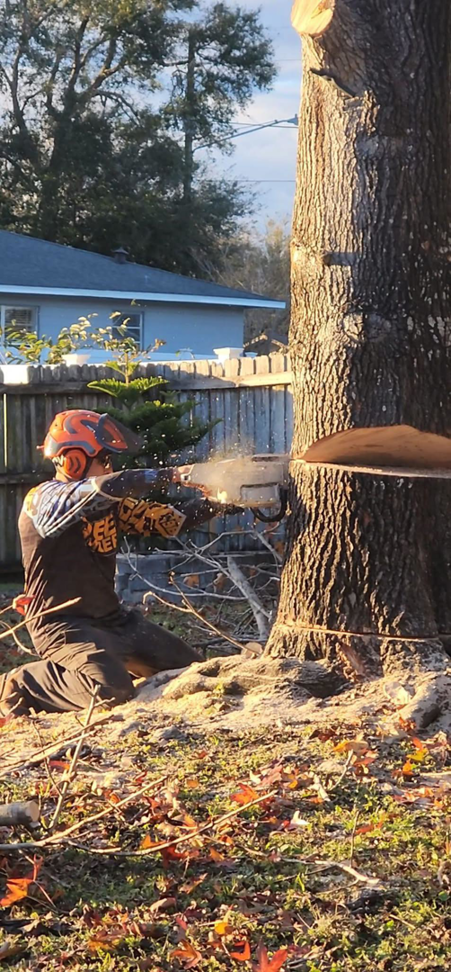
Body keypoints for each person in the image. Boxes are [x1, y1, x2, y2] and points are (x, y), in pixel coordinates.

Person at [0, 410, 238, 717]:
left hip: (113, 620)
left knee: (196, 672)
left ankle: (110, 661)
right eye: (105, 458)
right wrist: (175, 474)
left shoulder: (109, 502)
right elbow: (108, 486)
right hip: (62, 625)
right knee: (111, 691)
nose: (110, 466)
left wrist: (222, 500)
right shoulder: (45, 499)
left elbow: (169, 522)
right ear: (73, 460)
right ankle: (21, 683)